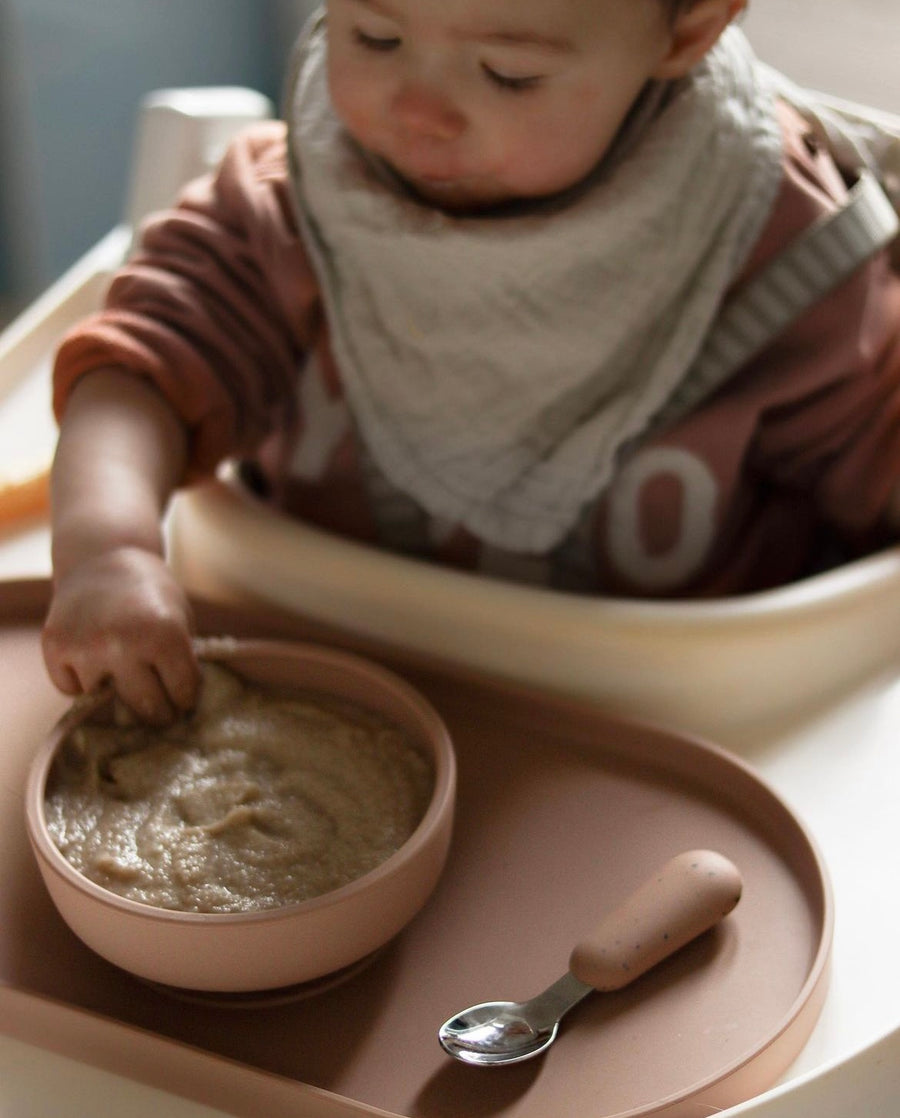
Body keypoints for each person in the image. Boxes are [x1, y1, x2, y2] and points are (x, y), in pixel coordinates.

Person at [42, 0, 900, 723]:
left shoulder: (786, 250)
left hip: (656, 746)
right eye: (375, 37)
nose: (418, 109)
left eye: (508, 73)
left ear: (687, 30)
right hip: (304, 685)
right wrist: (107, 546)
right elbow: (144, 366)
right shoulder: (295, 204)